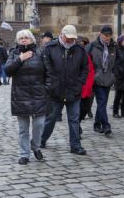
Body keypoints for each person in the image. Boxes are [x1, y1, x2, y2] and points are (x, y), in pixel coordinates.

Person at [41, 25, 88, 155]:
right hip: (55, 90)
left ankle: (75, 145)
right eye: (68, 38)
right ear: (62, 35)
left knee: (74, 119)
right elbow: (46, 68)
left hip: (74, 90)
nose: (70, 41)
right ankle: (42, 139)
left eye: (72, 39)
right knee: (51, 118)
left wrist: (80, 83)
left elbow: (85, 68)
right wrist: (50, 84)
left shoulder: (79, 49)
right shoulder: (50, 48)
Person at [5, 29, 50, 165]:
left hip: (39, 95)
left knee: (39, 124)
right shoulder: (14, 53)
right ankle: (24, 154)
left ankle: (35, 146)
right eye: (21, 38)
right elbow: (7, 70)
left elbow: (49, 73)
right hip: (21, 96)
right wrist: (20, 59)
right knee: (23, 129)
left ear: (32, 39)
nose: (24, 40)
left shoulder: (40, 52)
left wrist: (46, 89)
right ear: (18, 41)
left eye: (26, 37)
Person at [87, 26, 117, 137]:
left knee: (102, 103)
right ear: (100, 34)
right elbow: (86, 61)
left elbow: (117, 62)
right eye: (105, 36)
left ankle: (96, 124)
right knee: (102, 102)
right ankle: (106, 126)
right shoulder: (93, 46)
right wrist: (92, 76)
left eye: (109, 36)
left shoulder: (114, 46)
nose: (107, 38)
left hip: (109, 79)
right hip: (97, 79)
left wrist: (114, 75)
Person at [76, 37, 95, 137]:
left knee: (86, 108)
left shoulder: (87, 56)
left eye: (83, 44)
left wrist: (89, 84)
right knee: (76, 110)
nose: (81, 45)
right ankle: (76, 128)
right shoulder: (73, 55)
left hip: (87, 87)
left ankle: (77, 123)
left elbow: (91, 71)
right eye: (80, 43)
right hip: (77, 88)